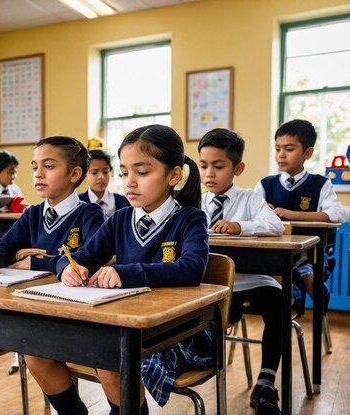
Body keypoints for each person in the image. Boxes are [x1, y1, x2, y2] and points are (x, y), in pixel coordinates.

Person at [44, 125, 207, 415]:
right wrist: (67, 267)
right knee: (37, 348)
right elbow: (83, 255)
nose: (130, 182)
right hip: (122, 322)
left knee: (108, 355)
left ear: (174, 175)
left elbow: (192, 269)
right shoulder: (120, 219)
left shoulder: (190, 218)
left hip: (173, 331)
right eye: (124, 172)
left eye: (142, 173)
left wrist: (125, 272)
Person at [199, 128, 284, 415]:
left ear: (238, 168)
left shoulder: (249, 199)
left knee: (279, 303)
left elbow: (275, 226)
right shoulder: (195, 203)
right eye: (203, 165)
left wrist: (240, 226)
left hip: (253, 280)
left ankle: (266, 381)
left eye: (218, 166)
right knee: (212, 317)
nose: (209, 173)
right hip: (215, 287)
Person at [0, 135, 104, 275]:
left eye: (48, 166)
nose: (38, 174)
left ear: (74, 174)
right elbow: (5, 245)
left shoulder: (90, 213)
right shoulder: (32, 214)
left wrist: (36, 263)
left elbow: (91, 257)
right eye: (35, 167)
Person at [254, 119, 347, 300]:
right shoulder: (265, 184)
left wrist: (290, 214)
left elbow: (337, 214)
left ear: (308, 153)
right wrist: (264, 210)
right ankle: (285, 294)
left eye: (289, 149)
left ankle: (303, 291)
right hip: (273, 253)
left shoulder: (320, 184)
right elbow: (251, 213)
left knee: (303, 265)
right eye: (277, 148)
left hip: (312, 254)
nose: (281, 155)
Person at [78, 149, 130, 218]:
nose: (101, 177)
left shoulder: (124, 202)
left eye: (105, 172)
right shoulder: (77, 203)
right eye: (94, 172)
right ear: (84, 176)